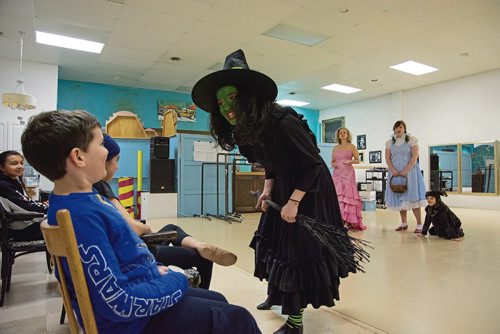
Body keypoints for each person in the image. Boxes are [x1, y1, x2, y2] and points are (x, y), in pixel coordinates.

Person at [21, 110, 261, 334]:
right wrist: (176, 278)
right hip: (131, 323)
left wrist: (155, 272)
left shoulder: (74, 201)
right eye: (101, 144)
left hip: (140, 290)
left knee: (218, 301)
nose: (106, 152)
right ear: (78, 157)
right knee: (238, 319)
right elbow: (118, 303)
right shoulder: (82, 216)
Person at [192, 49, 359, 334]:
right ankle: (276, 294)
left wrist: (294, 202)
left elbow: (313, 166)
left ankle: (295, 323)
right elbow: (268, 163)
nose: (226, 107)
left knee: (296, 252)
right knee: (272, 240)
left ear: (248, 96)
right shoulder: (242, 130)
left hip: (310, 189)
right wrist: (267, 188)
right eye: (220, 102)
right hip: (283, 185)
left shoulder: (284, 122)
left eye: (232, 98)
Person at [94, 134, 237, 289]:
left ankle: (201, 245)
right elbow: (133, 228)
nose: (117, 167)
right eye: (117, 160)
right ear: (105, 162)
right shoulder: (101, 186)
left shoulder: (87, 192)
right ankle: (201, 258)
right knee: (204, 260)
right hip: (139, 251)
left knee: (171, 228)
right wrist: (147, 228)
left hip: (127, 249)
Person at [385, 120, 427, 232]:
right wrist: (393, 170)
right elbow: (388, 158)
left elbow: (414, 157)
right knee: (399, 196)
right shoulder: (390, 143)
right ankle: (404, 223)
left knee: (412, 197)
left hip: (410, 172)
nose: (399, 129)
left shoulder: (412, 140)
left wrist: (406, 170)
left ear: (404, 129)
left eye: (401, 127)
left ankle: (419, 225)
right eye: (397, 127)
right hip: (395, 172)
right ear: (394, 129)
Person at [0, 150, 48, 241]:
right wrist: (49, 207)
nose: (20, 166)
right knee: (65, 229)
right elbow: (27, 207)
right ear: (2, 167)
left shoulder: (12, 182)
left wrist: (44, 205)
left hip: (21, 226)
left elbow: (25, 202)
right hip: (19, 230)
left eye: (21, 163)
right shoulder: (4, 185)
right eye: (14, 163)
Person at [331, 128, 366, 230]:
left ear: (347, 135)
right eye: (340, 133)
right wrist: (334, 164)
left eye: (344, 133)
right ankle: (340, 220)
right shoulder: (335, 148)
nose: (342, 134)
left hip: (348, 173)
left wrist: (349, 162)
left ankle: (348, 221)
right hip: (337, 174)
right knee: (339, 197)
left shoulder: (352, 146)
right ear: (338, 135)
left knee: (348, 196)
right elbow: (332, 162)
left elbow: (357, 160)